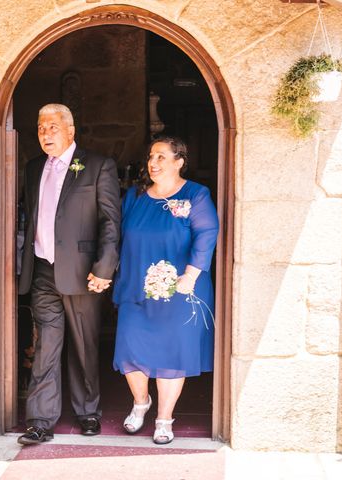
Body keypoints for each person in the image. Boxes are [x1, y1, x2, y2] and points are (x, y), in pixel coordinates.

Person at [17, 103, 121, 445]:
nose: (46, 134)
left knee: (84, 346)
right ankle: (40, 420)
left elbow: (110, 222)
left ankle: (87, 411)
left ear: (70, 131)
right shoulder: (33, 168)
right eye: (41, 127)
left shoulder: (97, 166)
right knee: (46, 345)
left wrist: (104, 267)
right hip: (42, 270)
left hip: (82, 273)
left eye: (53, 127)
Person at [112, 136, 219, 445]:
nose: (153, 163)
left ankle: (164, 418)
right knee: (131, 350)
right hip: (136, 285)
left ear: (179, 162)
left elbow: (207, 234)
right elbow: (116, 235)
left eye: (161, 157)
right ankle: (141, 402)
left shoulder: (195, 196)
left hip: (179, 290)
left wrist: (191, 275)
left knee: (173, 354)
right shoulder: (134, 196)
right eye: (151, 157)